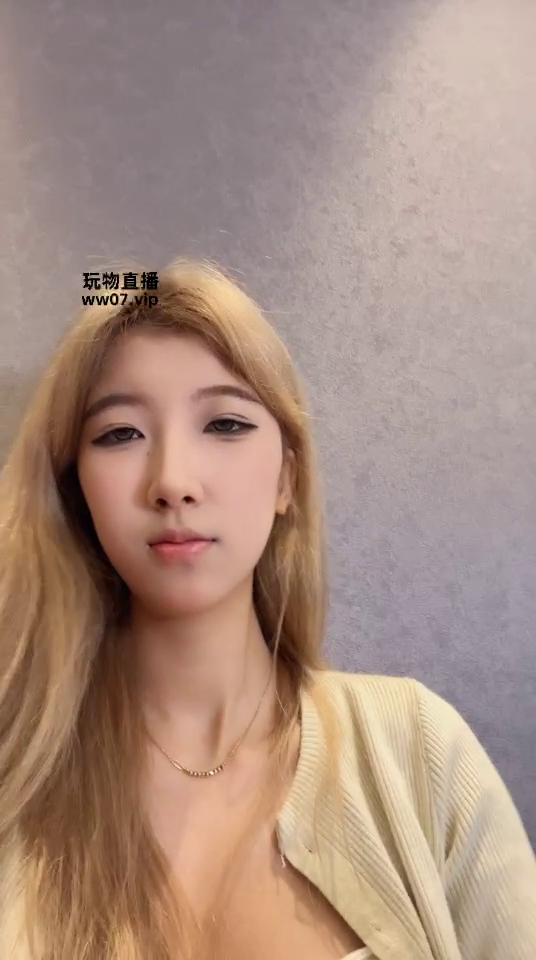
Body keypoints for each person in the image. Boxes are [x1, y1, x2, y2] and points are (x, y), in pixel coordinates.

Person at [0, 259, 535, 960]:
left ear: (287, 476)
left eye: (224, 423)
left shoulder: (419, 751)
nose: (172, 482)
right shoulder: (17, 782)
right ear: (76, 490)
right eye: (120, 433)